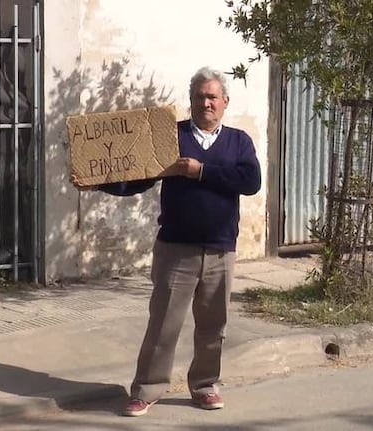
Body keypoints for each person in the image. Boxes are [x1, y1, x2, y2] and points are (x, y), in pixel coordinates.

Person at [71, 66, 261, 417]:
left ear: (225, 102)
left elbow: (250, 181)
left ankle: (205, 385)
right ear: (190, 100)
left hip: (220, 249)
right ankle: (146, 390)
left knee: (213, 326)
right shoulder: (170, 137)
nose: (206, 102)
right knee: (162, 325)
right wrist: (97, 181)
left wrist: (200, 171)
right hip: (176, 248)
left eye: (212, 97)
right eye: (200, 96)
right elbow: (138, 177)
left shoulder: (238, 142)